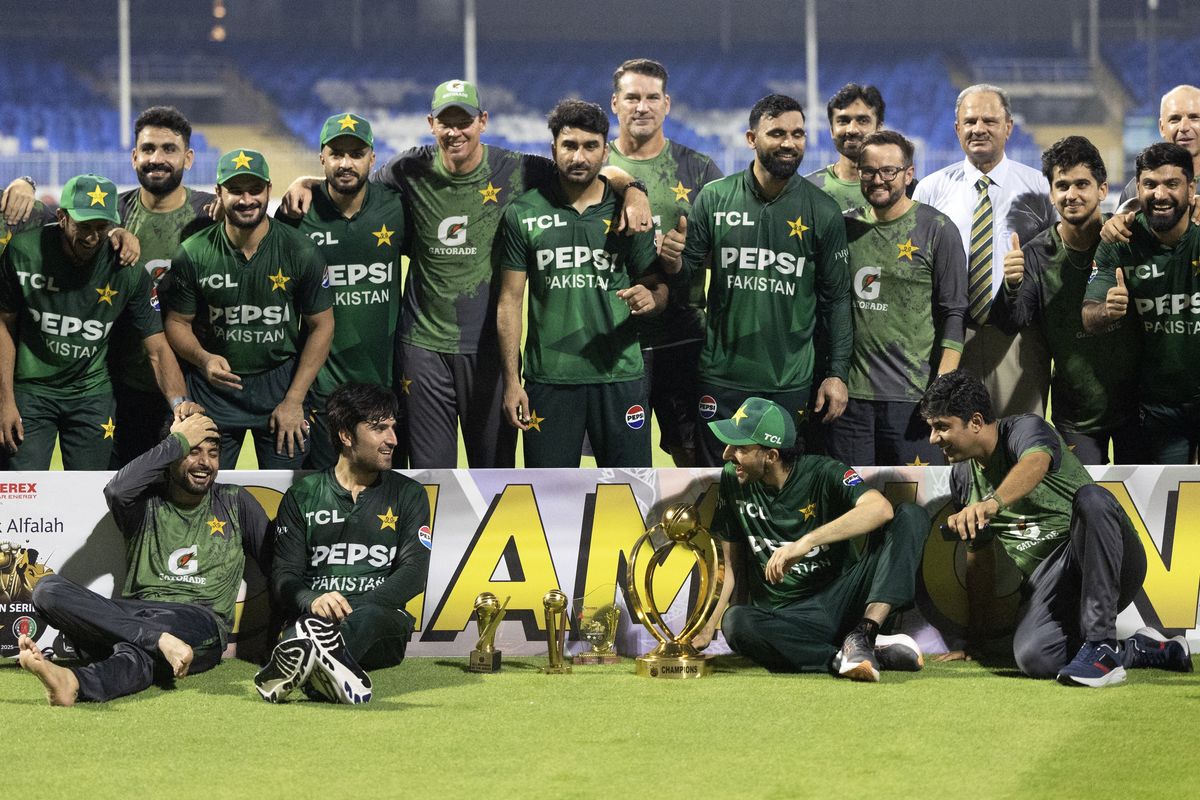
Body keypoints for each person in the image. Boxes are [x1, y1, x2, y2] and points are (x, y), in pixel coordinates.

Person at [280, 80, 652, 469]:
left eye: (465, 121)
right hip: (423, 348)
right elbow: (350, 182)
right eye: (446, 122)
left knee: (493, 472)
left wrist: (634, 189)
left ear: (483, 122)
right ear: (432, 124)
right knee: (429, 473)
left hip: (489, 348)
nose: (455, 131)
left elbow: (588, 168)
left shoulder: (519, 168)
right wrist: (306, 182)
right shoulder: (407, 169)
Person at [922, 370, 1191, 686]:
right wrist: (975, 640)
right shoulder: (962, 478)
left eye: (942, 427)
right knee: (1034, 657)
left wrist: (993, 503)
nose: (933, 438)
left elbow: (1034, 463)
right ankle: (1136, 649)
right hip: (1049, 581)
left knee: (1093, 499)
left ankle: (1102, 644)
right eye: (931, 428)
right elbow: (980, 560)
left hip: (1108, 557)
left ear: (977, 422)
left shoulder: (1025, 429)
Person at [16, 411, 271, 705]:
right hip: (132, 615)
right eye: (192, 451)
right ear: (170, 455)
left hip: (198, 620)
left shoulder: (234, 501)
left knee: (137, 647)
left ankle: (79, 678)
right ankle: (98, 670)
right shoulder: (144, 503)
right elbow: (116, 490)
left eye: (213, 454)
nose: (205, 463)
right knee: (47, 590)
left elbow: (275, 564)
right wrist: (176, 441)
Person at [694, 396, 928, 681]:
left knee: (911, 515)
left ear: (771, 455)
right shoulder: (734, 478)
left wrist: (806, 542)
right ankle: (848, 655)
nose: (727, 455)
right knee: (736, 622)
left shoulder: (824, 471)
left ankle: (864, 632)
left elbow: (880, 509)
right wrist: (706, 628)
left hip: (843, 601)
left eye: (740, 448)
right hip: (788, 620)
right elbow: (729, 567)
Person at [676, 94, 852, 466]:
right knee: (719, 489)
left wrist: (836, 374)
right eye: (776, 133)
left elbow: (837, 301)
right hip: (722, 378)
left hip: (788, 382)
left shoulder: (823, 211)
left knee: (781, 491)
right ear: (751, 139)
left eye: (798, 133)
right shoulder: (715, 198)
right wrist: (669, 257)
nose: (789, 142)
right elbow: (685, 281)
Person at [498, 100, 664, 468]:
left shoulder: (630, 212)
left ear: (606, 151)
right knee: (549, 501)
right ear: (553, 149)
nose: (579, 156)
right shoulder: (523, 213)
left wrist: (651, 298)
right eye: (569, 146)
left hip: (620, 375)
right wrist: (513, 380)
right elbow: (510, 300)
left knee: (631, 494)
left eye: (591, 146)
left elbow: (657, 286)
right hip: (550, 379)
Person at [0, 174, 192, 469]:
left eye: (101, 227)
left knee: (93, 495)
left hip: (92, 395)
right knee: (24, 488)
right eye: (84, 226)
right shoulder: (22, 252)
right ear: (62, 217)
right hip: (31, 391)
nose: (92, 237)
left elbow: (158, 348)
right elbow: (4, 326)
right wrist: (5, 400)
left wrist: (180, 406)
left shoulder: (127, 270)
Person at [160, 149, 334, 469]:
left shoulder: (300, 250)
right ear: (218, 193)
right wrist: (203, 358)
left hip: (280, 390)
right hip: (214, 395)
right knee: (205, 497)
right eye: (235, 191)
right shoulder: (194, 252)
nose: (246, 199)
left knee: (287, 500)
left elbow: (322, 325)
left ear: (268, 189)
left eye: (255, 190)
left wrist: (294, 400)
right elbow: (177, 322)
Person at [260, 383, 431, 704]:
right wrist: (312, 600)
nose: (392, 440)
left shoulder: (409, 494)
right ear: (346, 435)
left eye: (393, 428)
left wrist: (352, 609)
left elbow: (414, 572)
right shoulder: (303, 495)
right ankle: (323, 675)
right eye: (379, 429)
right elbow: (283, 575)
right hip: (315, 618)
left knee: (362, 621)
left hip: (379, 622)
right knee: (303, 628)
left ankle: (305, 665)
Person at [990, 136, 1140, 464]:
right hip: (1077, 416)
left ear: (1103, 189)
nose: (1071, 194)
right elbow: (1009, 322)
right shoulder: (1036, 254)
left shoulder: (1129, 239)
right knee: (1086, 505)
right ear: (1051, 194)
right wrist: (1011, 284)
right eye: (1062, 185)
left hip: (1138, 408)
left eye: (1082, 184)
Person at [913, 84, 1055, 418]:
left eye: (989, 120)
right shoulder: (930, 190)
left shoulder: (1040, 189)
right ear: (957, 129)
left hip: (1019, 340)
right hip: (949, 337)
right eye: (970, 120)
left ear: (1008, 127)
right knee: (954, 448)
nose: (979, 128)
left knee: (1019, 442)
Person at [608, 58, 723, 466]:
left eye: (652, 97)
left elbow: (720, 254)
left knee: (692, 454)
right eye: (632, 97)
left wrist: (685, 254)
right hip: (616, 341)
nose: (642, 106)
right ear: (615, 103)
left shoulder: (699, 169)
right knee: (621, 462)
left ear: (667, 104)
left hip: (683, 335)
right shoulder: (593, 165)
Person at [276, 112, 406, 470]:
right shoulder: (297, 213)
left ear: (372, 158)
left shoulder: (395, 207)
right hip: (321, 389)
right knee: (326, 491)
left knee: (380, 497)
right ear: (322, 158)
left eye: (356, 154)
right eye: (336, 154)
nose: (346, 163)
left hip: (385, 384)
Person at [827, 130, 965, 467]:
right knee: (854, 508)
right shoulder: (844, 228)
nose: (879, 180)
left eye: (889, 171)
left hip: (914, 399)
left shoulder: (937, 228)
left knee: (916, 506)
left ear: (908, 173)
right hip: (850, 400)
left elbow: (955, 314)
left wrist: (941, 389)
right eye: (869, 171)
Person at [1083, 142, 1200, 464]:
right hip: (1155, 410)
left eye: (1171, 184)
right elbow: (1088, 316)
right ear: (1138, 189)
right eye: (1150, 184)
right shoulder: (1119, 242)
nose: (1160, 194)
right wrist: (1108, 310)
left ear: (1191, 190)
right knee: (1161, 509)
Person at [804, 83, 885, 213]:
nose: (852, 130)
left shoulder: (903, 188)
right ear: (831, 130)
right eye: (843, 121)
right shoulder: (808, 190)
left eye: (863, 121)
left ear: (878, 128)